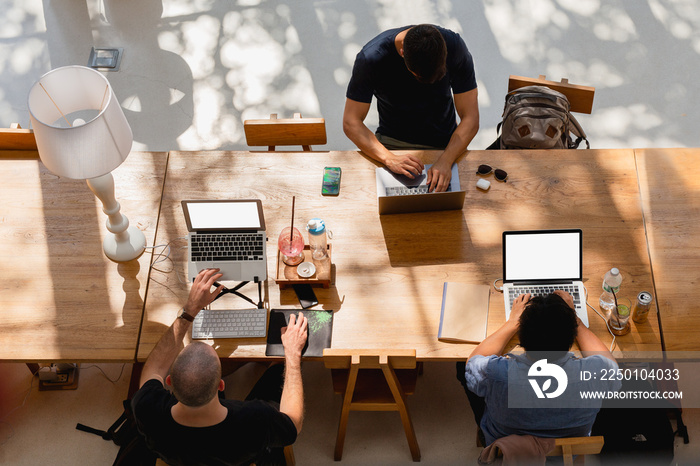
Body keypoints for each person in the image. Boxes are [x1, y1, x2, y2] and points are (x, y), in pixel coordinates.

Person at [132, 268, 308, 465]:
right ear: (221, 385)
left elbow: (153, 368)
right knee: (278, 367)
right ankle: (273, 363)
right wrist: (292, 356)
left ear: (170, 381)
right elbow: (293, 424)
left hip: (180, 457)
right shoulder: (255, 420)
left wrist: (190, 310)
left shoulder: (147, 409)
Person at [458, 291, 621, 446]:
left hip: (506, 449)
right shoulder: (593, 375)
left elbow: (472, 363)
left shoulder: (497, 374)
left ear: (521, 339)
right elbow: (613, 370)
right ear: (571, 339)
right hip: (566, 453)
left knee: (461, 368)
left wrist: (511, 323)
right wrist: (575, 321)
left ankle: (482, 430)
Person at [343, 24, 479, 192]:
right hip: (391, 146)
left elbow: (470, 118)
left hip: (446, 145)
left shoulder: (455, 47)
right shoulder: (371, 58)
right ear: (402, 54)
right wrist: (389, 159)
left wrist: (446, 159)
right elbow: (351, 122)